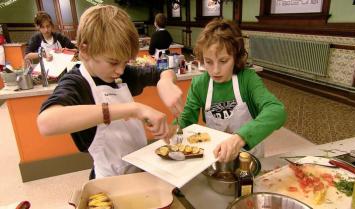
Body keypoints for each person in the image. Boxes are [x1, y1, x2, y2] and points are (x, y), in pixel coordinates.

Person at [37, 5, 183, 179]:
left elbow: (164, 72)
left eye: (125, 62)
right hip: (109, 178)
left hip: (138, 170)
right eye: (113, 63)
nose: (120, 70)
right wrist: (133, 109)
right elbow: (46, 123)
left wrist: (165, 82)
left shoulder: (122, 74)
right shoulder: (76, 83)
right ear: (85, 50)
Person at [167, 19, 286, 162]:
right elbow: (186, 119)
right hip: (217, 156)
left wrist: (240, 138)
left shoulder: (247, 79)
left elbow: (277, 111)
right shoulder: (199, 84)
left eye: (223, 61)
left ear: (236, 57)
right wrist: (171, 130)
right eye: (208, 62)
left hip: (249, 156)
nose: (215, 70)